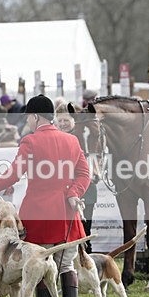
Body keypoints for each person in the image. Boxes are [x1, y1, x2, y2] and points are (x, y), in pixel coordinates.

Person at [0, 95, 90, 297]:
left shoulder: (30, 141)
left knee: (37, 262)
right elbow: (84, 174)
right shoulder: (72, 141)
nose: (28, 122)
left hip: (39, 214)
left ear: (34, 116)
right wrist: (73, 193)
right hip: (66, 214)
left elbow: (13, 174)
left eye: (28, 117)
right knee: (66, 265)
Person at [55, 103, 97, 252]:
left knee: (85, 229)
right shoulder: (56, 139)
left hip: (86, 188)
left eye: (66, 120)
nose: (62, 124)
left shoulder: (83, 136)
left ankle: (86, 259)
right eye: (59, 121)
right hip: (64, 190)